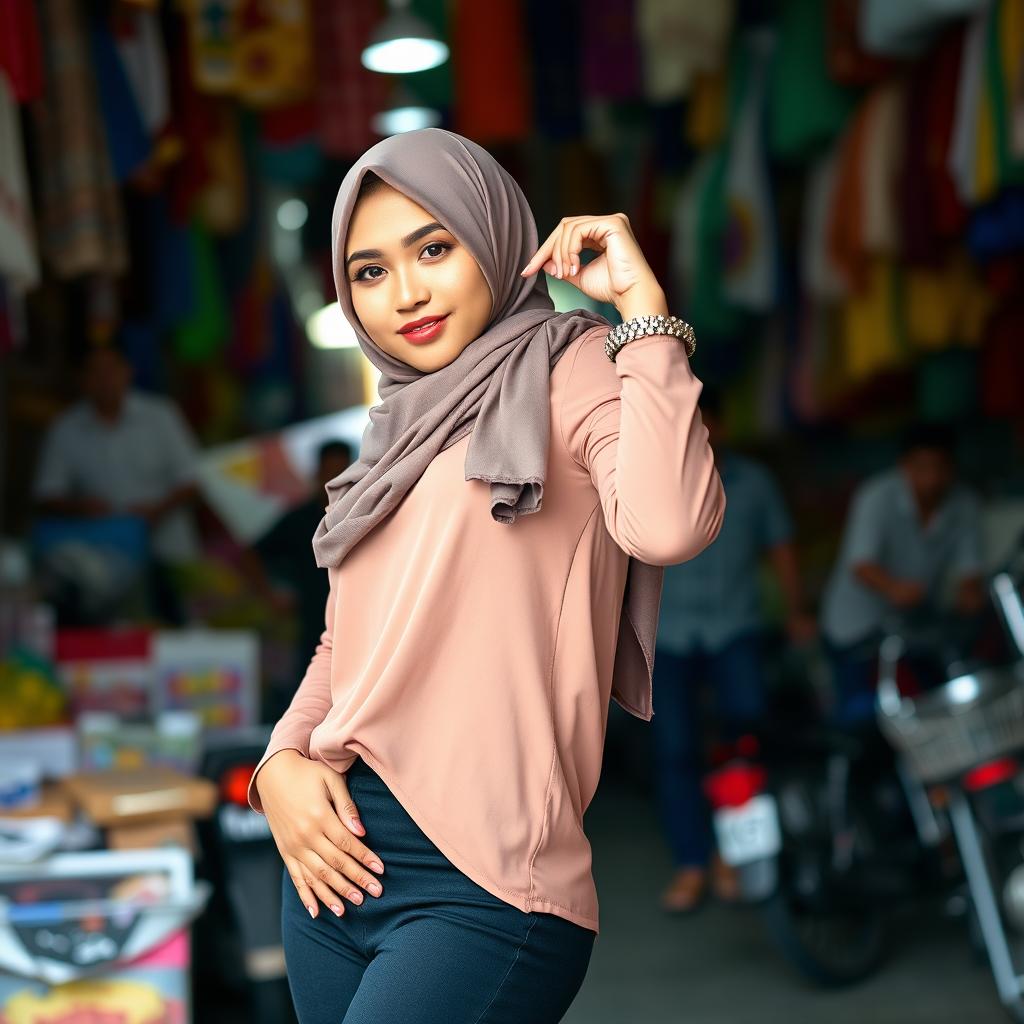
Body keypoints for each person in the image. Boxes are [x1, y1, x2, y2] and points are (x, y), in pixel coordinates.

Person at [245, 128, 725, 1023]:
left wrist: (645, 320)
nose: (407, 293)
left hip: (485, 882)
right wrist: (278, 765)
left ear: (495, 237)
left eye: (434, 248)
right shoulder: (393, 428)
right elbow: (348, 644)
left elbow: (669, 524)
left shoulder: (574, 366)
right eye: (370, 272)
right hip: (333, 858)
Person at [652, 389, 814, 913]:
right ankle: (692, 865)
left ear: (719, 428)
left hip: (735, 629)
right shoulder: (650, 477)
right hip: (669, 634)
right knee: (675, 752)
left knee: (744, 742)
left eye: (705, 424)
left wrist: (795, 611)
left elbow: (782, 548)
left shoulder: (754, 482)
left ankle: (736, 856)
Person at [820, 424, 985, 724]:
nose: (932, 479)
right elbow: (861, 563)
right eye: (923, 468)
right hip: (856, 626)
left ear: (952, 468)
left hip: (914, 628)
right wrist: (895, 588)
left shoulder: (964, 505)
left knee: (932, 709)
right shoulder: (876, 497)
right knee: (861, 718)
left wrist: (971, 595)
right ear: (904, 467)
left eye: (940, 468)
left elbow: (969, 571)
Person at [33, 337, 201, 624]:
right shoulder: (67, 428)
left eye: (111, 370)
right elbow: (46, 494)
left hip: (170, 552)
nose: (104, 380)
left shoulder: (160, 416)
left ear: (127, 372)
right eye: (95, 372)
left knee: (178, 633)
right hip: (105, 563)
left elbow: (195, 479)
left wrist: (156, 511)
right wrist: (82, 508)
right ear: (83, 380)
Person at [248, 439, 353, 718]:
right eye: (330, 473)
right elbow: (253, 554)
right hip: (311, 628)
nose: (335, 481)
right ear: (317, 475)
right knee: (311, 706)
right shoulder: (300, 519)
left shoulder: (362, 514)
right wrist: (271, 595)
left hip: (356, 624)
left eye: (342, 473)